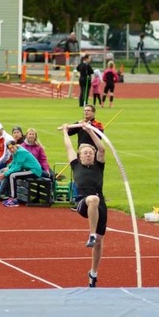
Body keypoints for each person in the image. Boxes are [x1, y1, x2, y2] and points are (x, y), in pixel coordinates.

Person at [61, 122, 107, 288]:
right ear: (79, 156)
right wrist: (65, 131)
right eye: (85, 153)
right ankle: (91, 234)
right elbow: (68, 147)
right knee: (92, 199)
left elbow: (102, 149)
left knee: (100, 242)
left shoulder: (98, 166)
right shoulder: (76, 165)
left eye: (90, 153)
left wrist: (89, 131)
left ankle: (93, 272)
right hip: (83, 201)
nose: (88, 155)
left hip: (100, 206)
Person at [0, 141, 43, 207]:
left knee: (12, 176)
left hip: (34, 171)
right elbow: (14, 163)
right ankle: (10, 197)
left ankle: (14, 199)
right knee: (9, 175)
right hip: (28, 170)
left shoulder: (21, 152)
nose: (11, 150)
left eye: (12, 147)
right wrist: (8, 168)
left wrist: (5, 174)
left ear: (15, 145)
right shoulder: (15, 152)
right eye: (10, 149)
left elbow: (17, 167)